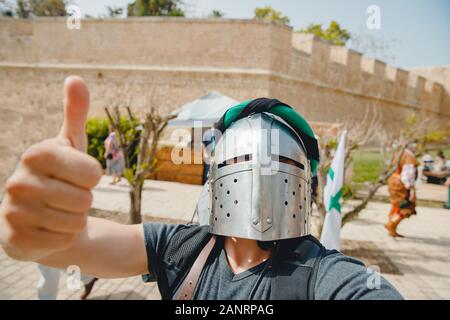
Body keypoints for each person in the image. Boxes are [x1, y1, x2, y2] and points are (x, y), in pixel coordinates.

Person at [0, 76, 402, 300]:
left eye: (278, 165)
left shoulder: (326, 278)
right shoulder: (179, 249)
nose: (257, 178)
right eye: (239, 163)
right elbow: (67, 247)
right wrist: (30, 230)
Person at [385, 142, 420, 238]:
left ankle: (391, 228)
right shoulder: (409, 157)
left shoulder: (399, 153)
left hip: (393, 181)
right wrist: (410, 189)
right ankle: (391, 224)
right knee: (407, 207)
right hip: (401, 185)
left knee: (395, 206)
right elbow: (408, 175)